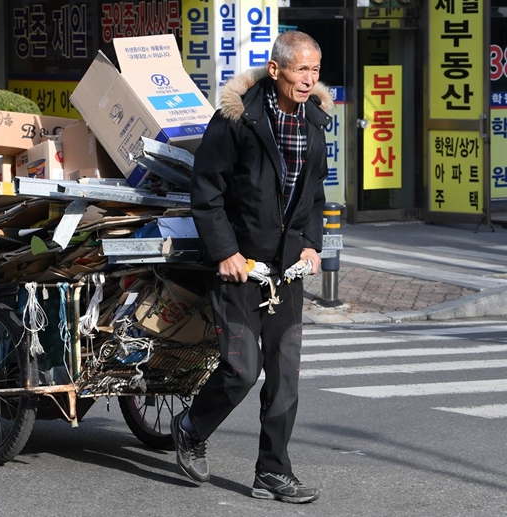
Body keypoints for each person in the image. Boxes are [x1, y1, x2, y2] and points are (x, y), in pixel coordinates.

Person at [171, 30, 333, 504]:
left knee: (285, 376)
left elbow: (315, 197)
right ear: (277, 69)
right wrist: (225, 252)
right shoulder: (238, 120)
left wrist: (310, 244)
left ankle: (273, 472)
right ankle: (191, 426)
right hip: (239, 267)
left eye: (316, 71)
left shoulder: (315, 123)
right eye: (302, 69)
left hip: (285, 272)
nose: (310, 80)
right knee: (242, 371)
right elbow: (207, 191)